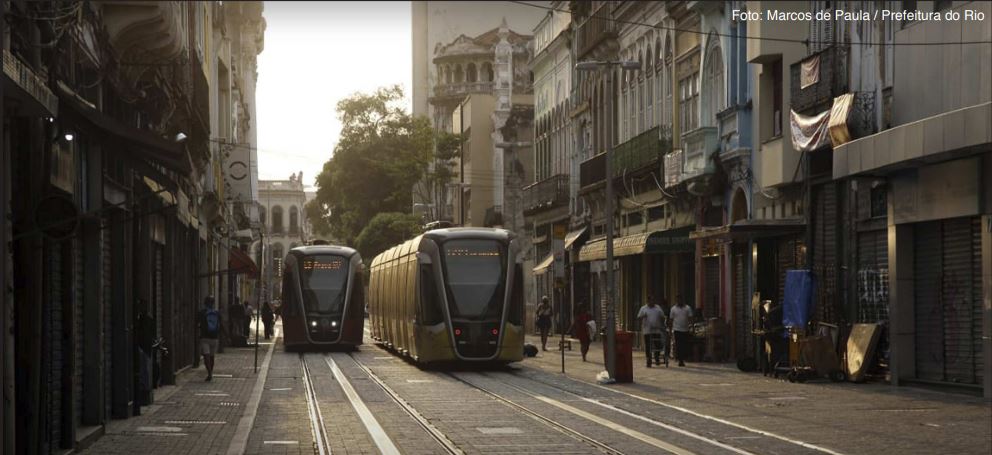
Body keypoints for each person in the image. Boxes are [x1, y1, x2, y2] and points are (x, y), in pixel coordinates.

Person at [636, 295, 667, 367]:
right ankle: (648, 359)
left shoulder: (658, 308)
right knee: (648, 346)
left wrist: (663, 323)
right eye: (650, 301)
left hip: (657, 329)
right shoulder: (643, 308)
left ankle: (656, 357)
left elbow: (663, 317)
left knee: (658, 345)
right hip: (647, 330)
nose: (652, 302)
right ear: (648, 301)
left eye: (653, 300)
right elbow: (638, 318)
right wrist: (643, 316)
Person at [197, 296, 221, 381]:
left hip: (205, 337)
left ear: (205, 303)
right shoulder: (217, 313)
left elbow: (196, 323)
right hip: (214, 338)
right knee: (212, 356)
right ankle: (211, 372)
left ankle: (209, 373)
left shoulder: (201, 313)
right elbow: (220, 325)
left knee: (206, 356)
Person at [669, 295, 694, 367]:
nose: (679, 301)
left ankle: (683, 357)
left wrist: (692, 327)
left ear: (682, 300)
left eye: (680, 299)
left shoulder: (687, 308)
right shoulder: (673, 309)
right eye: (678, 300)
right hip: (677, 329)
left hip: (685, 329)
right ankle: (680, 360)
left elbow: (691, 318)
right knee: (678, 345)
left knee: (684, 345)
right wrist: (670, 330)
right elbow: (671, 320)